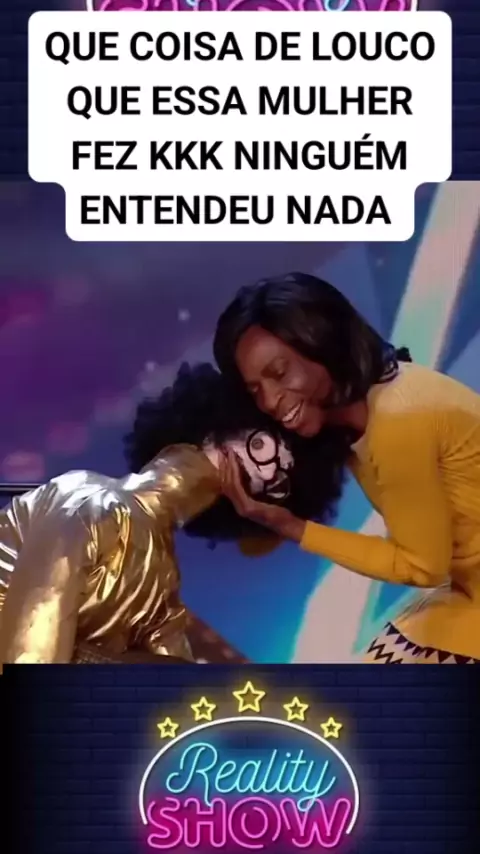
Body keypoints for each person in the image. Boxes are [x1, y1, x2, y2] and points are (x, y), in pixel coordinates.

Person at [0, 362, 345, 666]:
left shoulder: (163, 588)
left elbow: (181, 698)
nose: (267, 472)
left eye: (279, 481)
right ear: (216, 427)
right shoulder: (85, 499)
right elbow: (28, 659)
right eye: (261, 445)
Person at [213, 272, 480, 664]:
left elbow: (422, 567)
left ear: (324, 344)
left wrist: (293, 528)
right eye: (256, 391)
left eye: (280, 373)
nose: (269, 401)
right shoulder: (360, 418)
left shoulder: (398, 420)